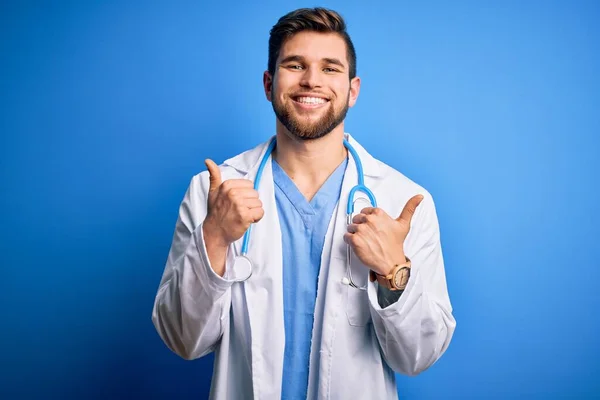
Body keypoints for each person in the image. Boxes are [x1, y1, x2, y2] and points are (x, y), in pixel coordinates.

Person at [152, 7, 456, 399]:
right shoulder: (213, 193)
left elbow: (419, 356)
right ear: (268, 83)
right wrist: (213, 237)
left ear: (353, 89)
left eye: (330, 68)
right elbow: (182, 339)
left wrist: (393, 271)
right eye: (295, 65)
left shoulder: (403, 200)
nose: (312, 80)